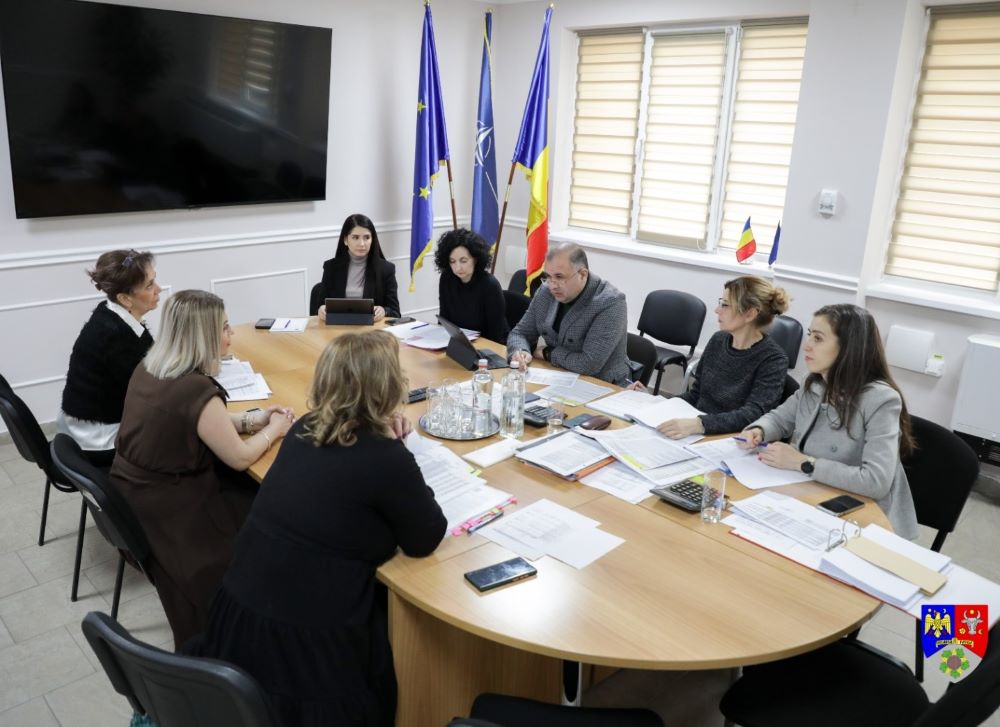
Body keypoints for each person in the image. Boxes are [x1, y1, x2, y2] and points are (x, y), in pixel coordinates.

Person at [192, 330, 446, 726]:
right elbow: (424, 537)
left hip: (239, 621)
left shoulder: (305, 428)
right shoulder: (386, 458)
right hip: (308, 657)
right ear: (388, 387)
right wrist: (397, 447)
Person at [110, 290, 295, 649]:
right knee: (271, 507)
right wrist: (275, 429)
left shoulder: (151, 368)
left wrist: (251, 419)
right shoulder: (195, 388)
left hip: (133, 495)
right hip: (173, 514)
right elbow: (240, 458)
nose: (231, 335)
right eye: (224, 328)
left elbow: (198, 421)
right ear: (203, 336)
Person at [739, 304, 919, 539]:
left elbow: (876, 481)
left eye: (818, 338)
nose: (807, 345)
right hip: (813, 495)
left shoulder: (881, 400)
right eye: (809, 335)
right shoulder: (815, 382)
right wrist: (759, 430)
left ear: (848, 347)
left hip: (862, 516)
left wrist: (804, 463)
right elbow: (780, 419)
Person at [633, 276, 790, 438]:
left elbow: (753, 415)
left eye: (725, 305)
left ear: (750, 314)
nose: (717, 310)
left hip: (730, 439)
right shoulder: (718, 340)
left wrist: (700, 424)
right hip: (697, 430)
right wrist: (656, 404)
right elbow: (696, 394)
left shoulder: (774, 360)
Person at [58, 249, 160, 466]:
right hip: (98, 441)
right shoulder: (113, 335)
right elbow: (150, 391)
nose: (158, 289)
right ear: (125, 299)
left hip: (86, 428)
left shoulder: (112, 314)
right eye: (149, 285)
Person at [506, 242, 629, 385]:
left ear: (582, 274)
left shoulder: (610, 302)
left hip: (604, 384)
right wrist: (520, 351)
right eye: (548, 276)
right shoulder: (545, 291)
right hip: (558, 376)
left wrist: (548, 353)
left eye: (559, 277)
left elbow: (589, 364)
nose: (552, 285)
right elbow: (520, 333)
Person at [312, 213, 400, 322]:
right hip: (338, 327)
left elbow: (396, 313)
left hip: (372, 329)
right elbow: (319, 307)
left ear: (372, 240)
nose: (362, 244)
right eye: (355, 237)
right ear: (345, 240)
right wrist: (321, 309)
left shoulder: (386, 269)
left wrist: (384, 311)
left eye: (366, 237)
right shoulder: (331, 267)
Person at [434, 228, 509, 343]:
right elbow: (444, 320)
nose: (458, 267)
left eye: (463, 261)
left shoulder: (489, 285)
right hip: (459, 343)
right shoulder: (447, 278)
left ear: (475, 259)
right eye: (452, 261)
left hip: (489, 345)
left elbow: (496, 335)